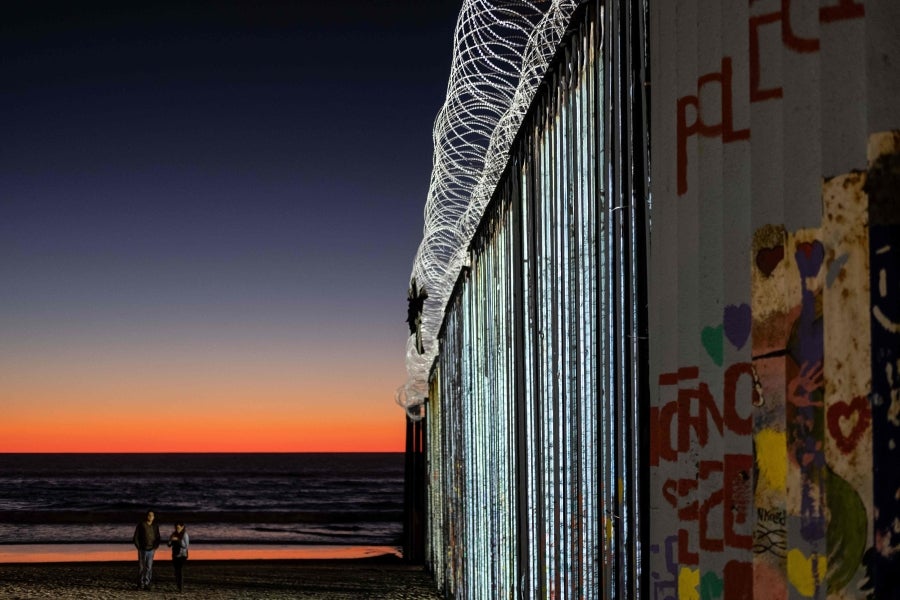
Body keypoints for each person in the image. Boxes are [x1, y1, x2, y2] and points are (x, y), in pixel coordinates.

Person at [132, 510, 161, 590]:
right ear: (146, 516)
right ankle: (140, 584)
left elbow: (158, 537)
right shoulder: (141, 525)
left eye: (152, 515)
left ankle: (147, 583)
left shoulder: (155, 526)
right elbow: (136, 537)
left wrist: (155, 547)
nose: (150, 517)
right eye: (149, 515)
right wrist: (138, 547)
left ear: (154, 517)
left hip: (151, 550)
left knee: (149, 567)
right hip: (142, 550)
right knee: (141, 567)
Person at [167, 522, 190, 592]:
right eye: (176, 528)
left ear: (182, 527)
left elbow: (186, 546)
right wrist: (171, 540)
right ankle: (178, 586)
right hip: (175, 555)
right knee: (176, 571)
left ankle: (181, 587)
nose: (177, 529)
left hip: (182, 555)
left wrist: (178, 540)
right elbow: (169, 545)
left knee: (180, 571)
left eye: (179, 528)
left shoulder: (185, 535)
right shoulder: (173, 534)